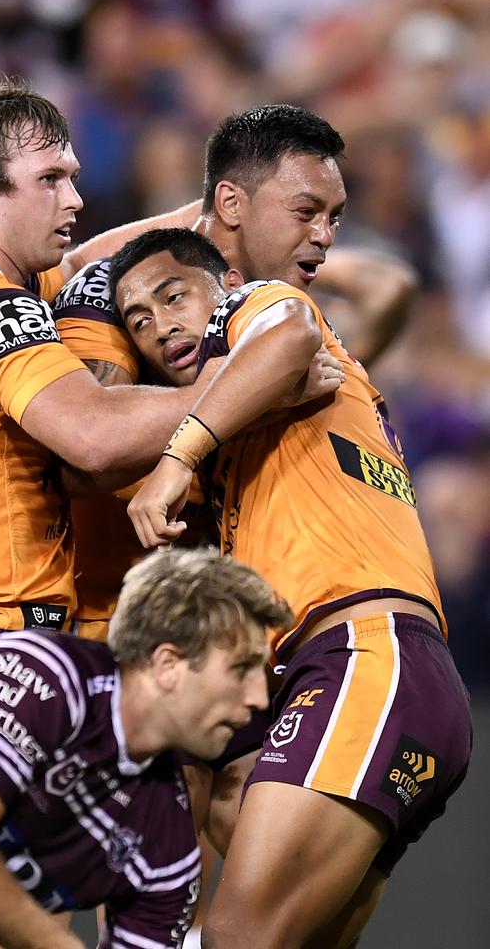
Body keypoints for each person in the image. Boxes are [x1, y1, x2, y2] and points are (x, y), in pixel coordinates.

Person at [108, 221, 472, 947]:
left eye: (175, 295)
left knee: (235, 934)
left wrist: (178, 457)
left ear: (225, 287)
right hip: (337, 674)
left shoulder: (263, 307)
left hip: (368, 654)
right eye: (138, 321)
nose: (160, 327)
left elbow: (292, 327)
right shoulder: (247, 427)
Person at [0, 76, 213, 702]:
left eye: (72, 175)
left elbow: (101, 255)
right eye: (49, 180)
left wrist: (220, 209)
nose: (75, 198)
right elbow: (93, 438)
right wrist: (248, 384)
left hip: (6, 633)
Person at [0, 547, 292, 949]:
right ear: (168, 664)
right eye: (242, 668)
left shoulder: (170, 850)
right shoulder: (45, 675)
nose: (257, 697)